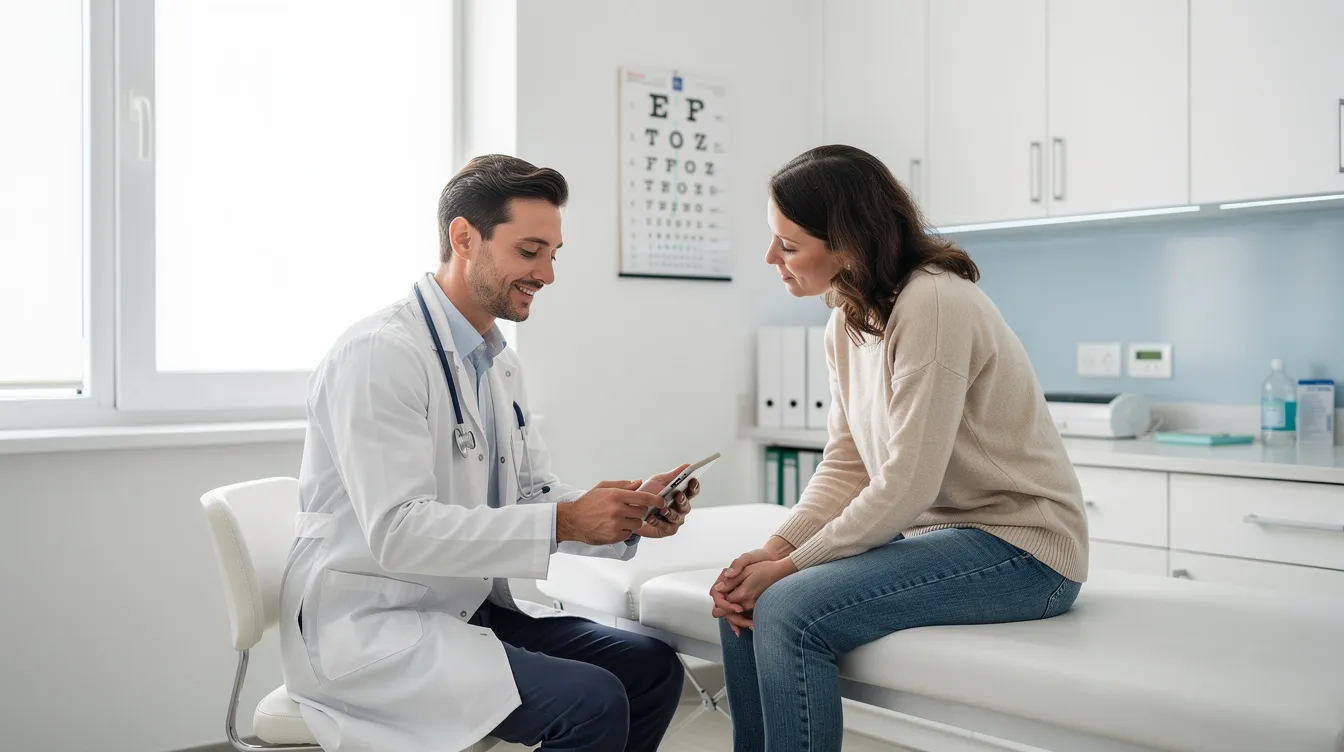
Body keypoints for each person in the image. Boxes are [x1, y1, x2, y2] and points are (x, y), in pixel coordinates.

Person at [278, 154, 699, 752]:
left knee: (651, 668)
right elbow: (398, 531)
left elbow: (527, 492)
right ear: (464, 238)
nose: (548, 274)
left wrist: (621, 512)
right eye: (530, 252)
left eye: (553, 254)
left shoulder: (496, 361)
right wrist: (563, 521)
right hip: (371, 625)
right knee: (591, 702)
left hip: (463, 606)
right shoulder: (380, 356)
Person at [710, 145, 1089, 752]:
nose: (771, 258)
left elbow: (905, 484)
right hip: (941, 541)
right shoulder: (847, 317)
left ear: (849, 245)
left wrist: (790, 569)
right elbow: (848, 463)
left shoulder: (934, 302)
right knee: (746, 606)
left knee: (784, 607)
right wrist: (774, 550)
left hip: (1025, 551)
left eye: (788, 244)